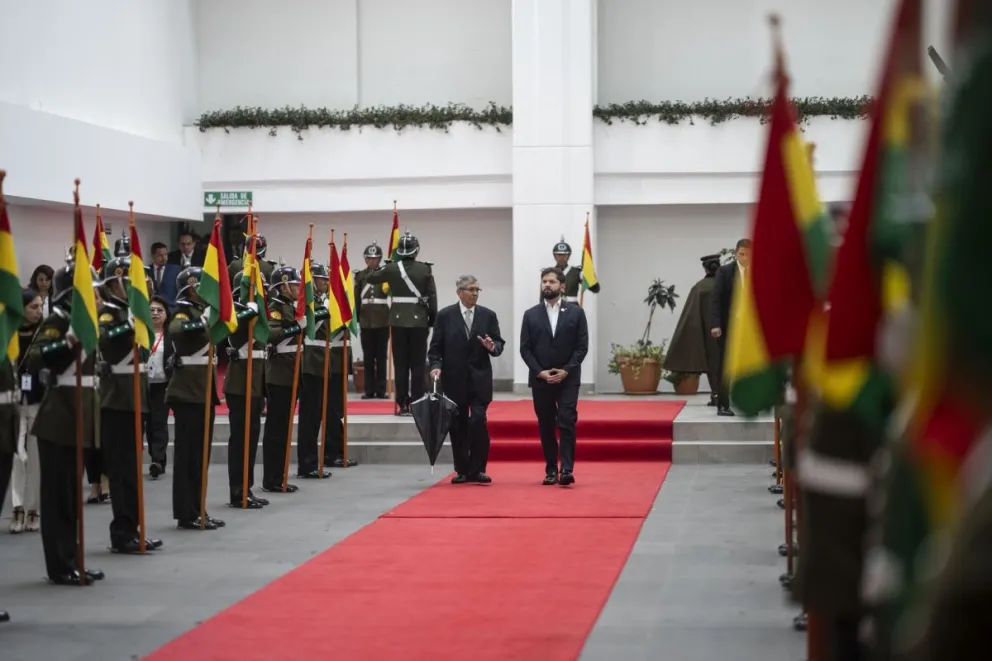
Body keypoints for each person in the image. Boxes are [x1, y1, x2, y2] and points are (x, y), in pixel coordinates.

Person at [24, 259, 106, 585]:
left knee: (71, 496)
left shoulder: (86, 323)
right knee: (57, 496)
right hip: (58, 417)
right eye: (91, 293)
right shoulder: (59, 320)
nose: (97, 300)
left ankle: (73, 559)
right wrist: (69, 340)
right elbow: (34, 357)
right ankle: (59, 565)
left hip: (78, 416)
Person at [97, 255, 163, 553]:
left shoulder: (129, 313)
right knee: (122, 470)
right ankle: (122, 532)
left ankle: (132, 529)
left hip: (133, 397)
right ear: (115, 283)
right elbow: (106, 339)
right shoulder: (109, 314)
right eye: (132, 282)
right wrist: (134, 320)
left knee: (131, 470)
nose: (141, 287)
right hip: (116, 401)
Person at [165, 267, 225, 530]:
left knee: (201, 455)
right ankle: (186, 511)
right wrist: (203, 321)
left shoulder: (201, 312)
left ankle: (198, 508)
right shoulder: (182, 311)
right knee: (188, 456)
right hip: (187, 393)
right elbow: (176, 330)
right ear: (191, 287)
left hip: (202, 391)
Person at [428, 274, 504, 484]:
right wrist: (435, 367)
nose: (474, 294)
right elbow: (435, 349)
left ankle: (478, 469)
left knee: (478, 421)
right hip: (454, 379)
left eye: (477, 290)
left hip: (480, 379)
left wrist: (493, 348)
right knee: (458, 425)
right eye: (470, 289)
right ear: (459, 292)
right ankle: (462, 469)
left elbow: (498, 343)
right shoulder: (445, 316)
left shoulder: (488, 316)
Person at [519, 267, 589, 486]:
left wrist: (566, 369)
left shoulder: (576, 312)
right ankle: (550, 469)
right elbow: (525, 348)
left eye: (551, 282)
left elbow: (582, 346)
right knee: (546, 424)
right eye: (544, 282)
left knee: (567, 420)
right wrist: (539, 371)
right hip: (542, 378)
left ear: (562, 286)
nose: (547, 285)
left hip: (567, 377)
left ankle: (566, 469)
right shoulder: (531, 314)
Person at [365, 232, 437, 416]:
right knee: (418, 365)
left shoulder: (391, 269)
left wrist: (386, 265)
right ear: (417, 250)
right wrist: (431, 320)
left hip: (397, 321)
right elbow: (432, 299)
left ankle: (402, 404)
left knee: (401, 365)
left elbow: (371, 278)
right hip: (419, 322)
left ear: (399, 250)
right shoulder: (425, 269)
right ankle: (418, 403)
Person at [298, 262, 355, 474]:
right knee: (310, 418)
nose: (326, 283)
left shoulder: (321, 300)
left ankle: (314, 461)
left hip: (322, 361)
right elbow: (310, 327)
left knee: (320, 414)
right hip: (311, 362)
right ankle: (307, 463)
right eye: (323, 280)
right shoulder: (307, 302)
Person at [223, 273, 270, 508]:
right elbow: (231, 327)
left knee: (251, 441)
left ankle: (247, 488)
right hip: (240, 384)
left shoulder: (257, 310)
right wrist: (247, 312)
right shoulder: (235, 310)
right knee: (241, 440)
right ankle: (238, 490)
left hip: (255, 383)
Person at [261, 265, 304, 493]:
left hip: (291, 374)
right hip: (279, 376)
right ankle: (272, 478)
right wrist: (295, 327)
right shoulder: (275, 308)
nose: (299, 288)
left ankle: (280, 475)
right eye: (295, 284)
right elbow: (270, 334)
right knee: (276, 430)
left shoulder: (290, 307)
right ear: (283, 286)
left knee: (284, 428)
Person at [662, 254, 722, 406]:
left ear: (705, 268)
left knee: (713, 363)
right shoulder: (729, 285)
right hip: (731, 331)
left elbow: (692, 315)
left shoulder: (699, 288)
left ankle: (716, 395)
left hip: (709, 334)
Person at [10, 288, 45, 534]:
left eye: (41, 306)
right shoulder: (8, 332)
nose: (38, 311)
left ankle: (33, 509)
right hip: (11, 401)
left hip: (38, 399)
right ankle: (17, 507)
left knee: (35, 457)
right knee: (15, 456)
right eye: (33, 306)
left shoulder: (46, 331)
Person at [709, 238, 752, 417]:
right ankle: (723, 404)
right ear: (736, 253)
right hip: (728, 326)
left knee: (750, 366)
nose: (745, 258)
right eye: (741, 254)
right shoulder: (725, 272)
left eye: (748, 254)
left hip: (750, 328)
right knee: (726, 366)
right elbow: (716, 299)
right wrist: (716, 324)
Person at [354, 242, 390, 399]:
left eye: (375, 258)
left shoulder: (386, 275)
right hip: (366, 320)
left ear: (380, 259)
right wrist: (355, 319)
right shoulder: (360, 276)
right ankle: (369, 390)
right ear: (365, 259)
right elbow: (356, 298)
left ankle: (381, 390)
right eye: (369, 258)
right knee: (368, 357)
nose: (372, 261)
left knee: (381, 357)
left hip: (383, 319)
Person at [145, 296, 170, 477]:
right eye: (151, 310)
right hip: (142, 385)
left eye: (159, 310)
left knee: (159, 423)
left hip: (162, 385)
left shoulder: (171, 337)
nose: (155, 313)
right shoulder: (141, 334)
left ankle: (157, 460)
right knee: (145, 424)